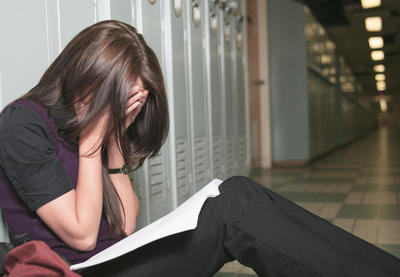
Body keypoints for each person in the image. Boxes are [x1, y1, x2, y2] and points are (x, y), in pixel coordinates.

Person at [0, 20, 399, 277]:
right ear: (89, 76)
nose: (123, 112)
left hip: (115, 260)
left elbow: (124, 228)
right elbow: (84, 236)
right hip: (78, 270)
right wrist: (93, 139)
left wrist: (116, 139)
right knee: (236, 206)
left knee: (236, 194)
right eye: (119, 101)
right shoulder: (23, 122)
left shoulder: (95, 132)